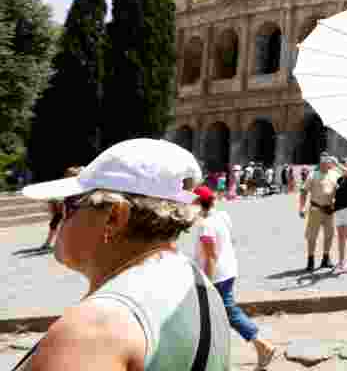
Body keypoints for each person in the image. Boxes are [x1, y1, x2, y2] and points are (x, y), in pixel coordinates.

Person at [17, 138, 231, 370]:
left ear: (114, 216)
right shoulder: (197, 283)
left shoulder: (94, 329)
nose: (61, 216)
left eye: (70, 204)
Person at [194, 186, 277, 369]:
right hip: (229, 270)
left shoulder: (206, 226)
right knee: (219, 314)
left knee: (228, 313)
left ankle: (262, 345)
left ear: (198, 204)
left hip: (216, 276)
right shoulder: (222, 216)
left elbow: (210, 257)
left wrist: (206, 283)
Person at [299, 153, 339, 272]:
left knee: (330, 235)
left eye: (329, 163)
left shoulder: (335, 174)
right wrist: (302, 207)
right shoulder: (313, 175)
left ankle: (325, 259)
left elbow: (340, 191)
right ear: (321, 163)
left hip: (330, 210)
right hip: (316, 209)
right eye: (326, 163)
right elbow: (304, 192)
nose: (328, 165)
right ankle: (310, 260)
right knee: (312, 236)